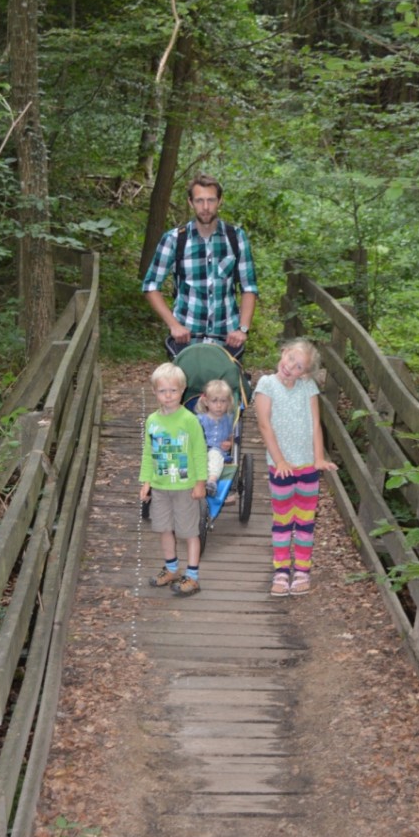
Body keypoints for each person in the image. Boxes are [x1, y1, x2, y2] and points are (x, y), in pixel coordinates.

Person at [254, 338, 338, 597]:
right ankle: (281, 570)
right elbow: (264, 425)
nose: (292, 367)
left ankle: (302, 570)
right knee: (283, 520)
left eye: (300, 366)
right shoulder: (266, 384)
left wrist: (319, 457)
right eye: (291, 359)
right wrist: (279, 459)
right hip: (282, 467)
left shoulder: (307, 387)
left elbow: (315, 423)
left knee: (304, 520)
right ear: (284, 352)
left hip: (306, 466)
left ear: (306, 373)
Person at [142, 173, 258, 359]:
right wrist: (174, 325)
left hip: (227, 340)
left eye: (211, 200)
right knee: (182, 388)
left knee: (227, 388)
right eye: (199, 201)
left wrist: (243, 329)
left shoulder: (236, 237)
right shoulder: (174, 239)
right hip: (185, 340)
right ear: (190, 202)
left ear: (220, 201)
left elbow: (249, 287)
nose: (205, 207)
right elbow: (150, 286)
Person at [139, 361, 208, 597]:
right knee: (164, 528)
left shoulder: (189, 420)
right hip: (160, 486)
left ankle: (193, 575)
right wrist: (146, 481)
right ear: (154, 392)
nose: (168, 396)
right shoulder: (152, 421)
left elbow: (199, 452)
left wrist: (200, 482)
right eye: (162, 391)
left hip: (185, 486)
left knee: (189, 531)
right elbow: (148, 453)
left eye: (173, 390)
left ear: (183, 390)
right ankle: (170, 568)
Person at [195, 378, 235, 496]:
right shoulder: (199, 419)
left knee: (214, 456)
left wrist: (230, 443)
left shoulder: (228, 419)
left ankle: (211, 482)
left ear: (228, 402)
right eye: (214, 401)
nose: (219, 405)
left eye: (223, 401)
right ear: (206, 402)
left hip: (218, 451)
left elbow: (231, 435)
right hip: (199, 450)